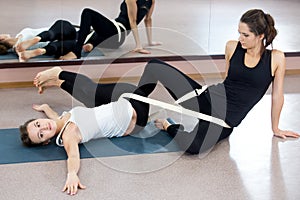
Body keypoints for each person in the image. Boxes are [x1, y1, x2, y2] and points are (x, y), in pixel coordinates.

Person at [60, 0, 161, 60]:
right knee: (79, 34)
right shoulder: (151, 1)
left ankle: (76, 52)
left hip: (116, 32)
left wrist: (139, 46)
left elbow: (133, 21)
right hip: (116, 39)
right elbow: (148, 20)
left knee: (87, 13)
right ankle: (92, 44)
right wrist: (150, 42)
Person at [0, 20, 76, 62]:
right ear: (1, 39)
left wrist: (22, 57)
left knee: (63, 42)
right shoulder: (20, 40)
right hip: (60, 34)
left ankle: (42, 49)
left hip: (58, 45)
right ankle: (38, 38)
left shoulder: (18, 48)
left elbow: (22, 57)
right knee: (59, 27)